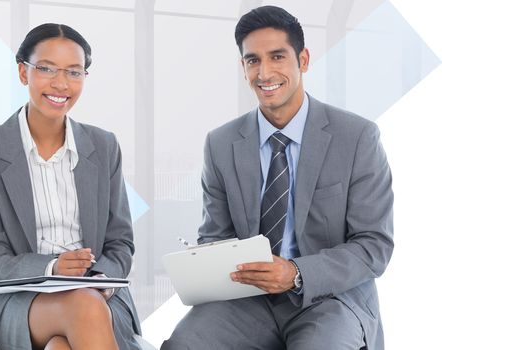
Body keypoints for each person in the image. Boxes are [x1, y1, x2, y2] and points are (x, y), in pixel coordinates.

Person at [162, 5, 393, 350]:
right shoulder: (222, 144)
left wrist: (296, 272)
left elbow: (374, 245)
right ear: (243, 68)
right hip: (245, 301)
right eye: (253, 60)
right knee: (185, 344)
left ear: (303, 60)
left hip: (328, 299)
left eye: (277, 57)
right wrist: (204, 265)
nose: (265, 72)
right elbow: (216, 237)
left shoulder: (357, 137)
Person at [0, 23, 142, 350]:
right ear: (24, 73)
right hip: (19, 301)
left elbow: (120, 241)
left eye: (74, 72)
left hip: (100, 295)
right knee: (84, 307)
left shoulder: (104, 145)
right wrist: (52, 266)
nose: (61, 83)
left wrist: (95, 280)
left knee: (61, 344)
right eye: (47, 69)